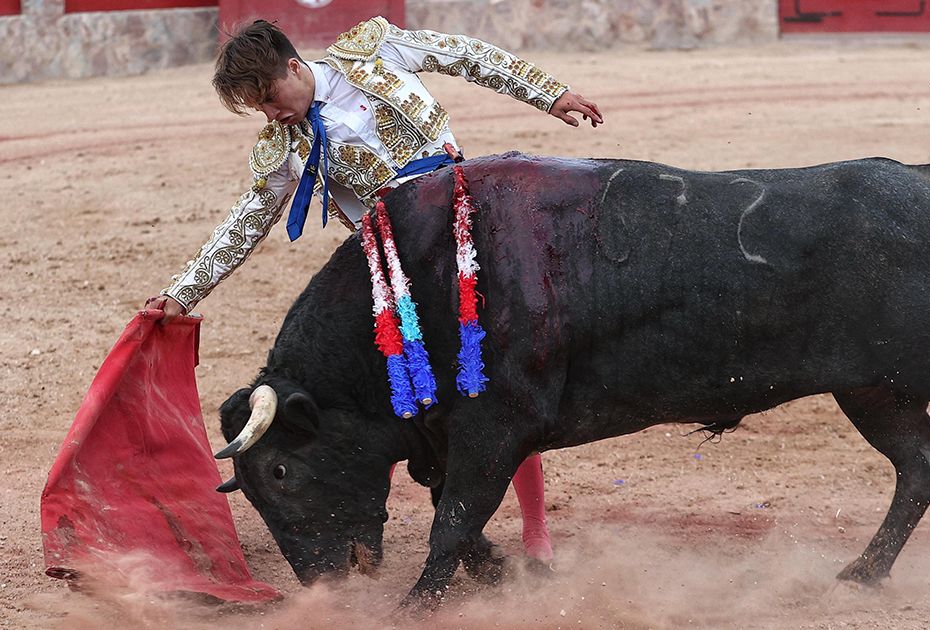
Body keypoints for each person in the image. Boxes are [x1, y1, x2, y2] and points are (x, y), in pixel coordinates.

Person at [143, 16, 604, 563]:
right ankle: (363, 530)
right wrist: (183, 292)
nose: (270, 114)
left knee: (500, 383)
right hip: (396, 279)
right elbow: (247, 222)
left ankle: (535, 531)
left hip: (468, 246)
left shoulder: (374, 52)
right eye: (258, 108)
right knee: (385, 398)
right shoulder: (284, 147)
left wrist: (548, 94)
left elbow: (466, 55)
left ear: (294, 67)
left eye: (268, 98)